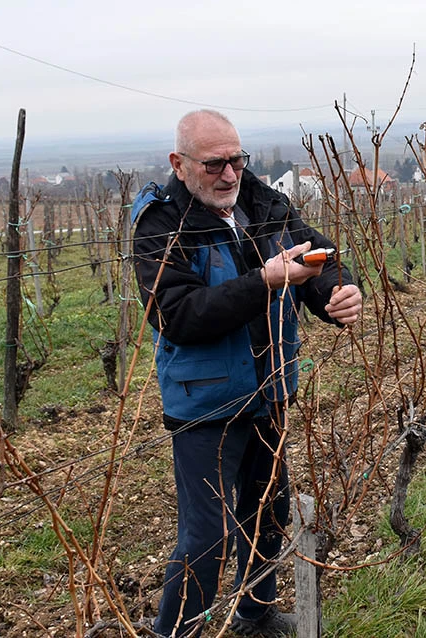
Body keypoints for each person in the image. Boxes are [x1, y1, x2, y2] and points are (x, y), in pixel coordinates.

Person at [132, 109, 362, 637]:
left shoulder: (263, 202)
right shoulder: (161, 225)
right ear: (179, 163)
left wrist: (335, 292)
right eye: (214, 164)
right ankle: (176, 632)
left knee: (268, 512)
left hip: (270, 389)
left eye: (237, 160)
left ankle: (254, 614)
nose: (230, 174)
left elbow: (319, 256)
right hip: (205, 405)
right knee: (205, 539)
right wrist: (264, 281)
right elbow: (178, 315)